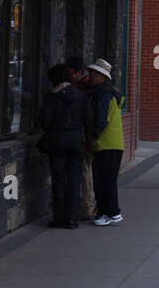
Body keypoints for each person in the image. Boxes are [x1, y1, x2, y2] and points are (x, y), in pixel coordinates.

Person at [39, 62, 92, 228]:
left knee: (59, 179)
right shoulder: (81, 95)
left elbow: (45, 121)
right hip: (77, 140)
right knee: (74, 179)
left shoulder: (52, 96)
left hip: (58, 140)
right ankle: (72, 218)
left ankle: (59, 217)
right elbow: (88, 119)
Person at [87, 59, 124, 225]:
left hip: (105, 143)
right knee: (107, 179)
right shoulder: (111, 92)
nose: (91, 76)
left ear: (102, 76)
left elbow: (101, 119)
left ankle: (110, 212)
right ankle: (106, 212)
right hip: (114, 142)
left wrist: (92, 136)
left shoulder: (102, 93)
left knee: (103, 180)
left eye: (93, 73)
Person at [66, 56, 96, 219]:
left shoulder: (85, 89)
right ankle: (85, 203)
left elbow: (87, 116)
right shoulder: (84, 86)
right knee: (86, 169)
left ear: (78, 73)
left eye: (71, 73)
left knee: (85, 169)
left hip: (85, 135)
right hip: (84, 135)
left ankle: (85, 204)